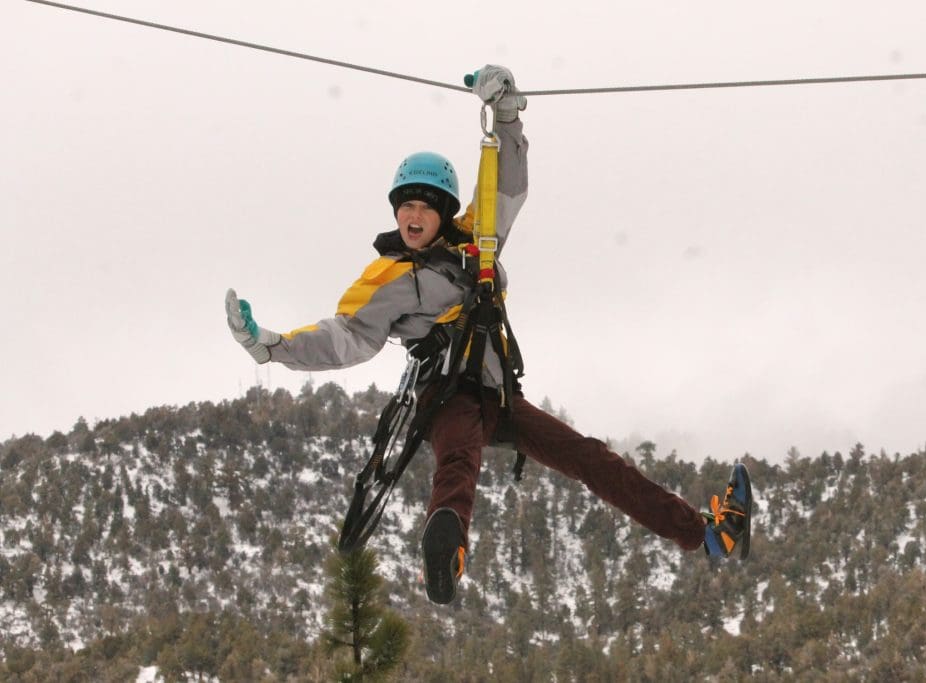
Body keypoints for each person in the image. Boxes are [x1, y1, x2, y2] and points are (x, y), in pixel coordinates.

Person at [226, 65, 752, 605]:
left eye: (423, 205)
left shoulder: (476, 244)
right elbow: (346, 336)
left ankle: (706, 535)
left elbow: (506, 187)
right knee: (458, 462)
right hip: (447, 393)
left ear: (444, 212)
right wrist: (273, 346)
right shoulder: (387, 277)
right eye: (405, 205)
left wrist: (506, 118)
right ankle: (446, 548)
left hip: (498, 395)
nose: (412, 214)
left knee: (594, 460)